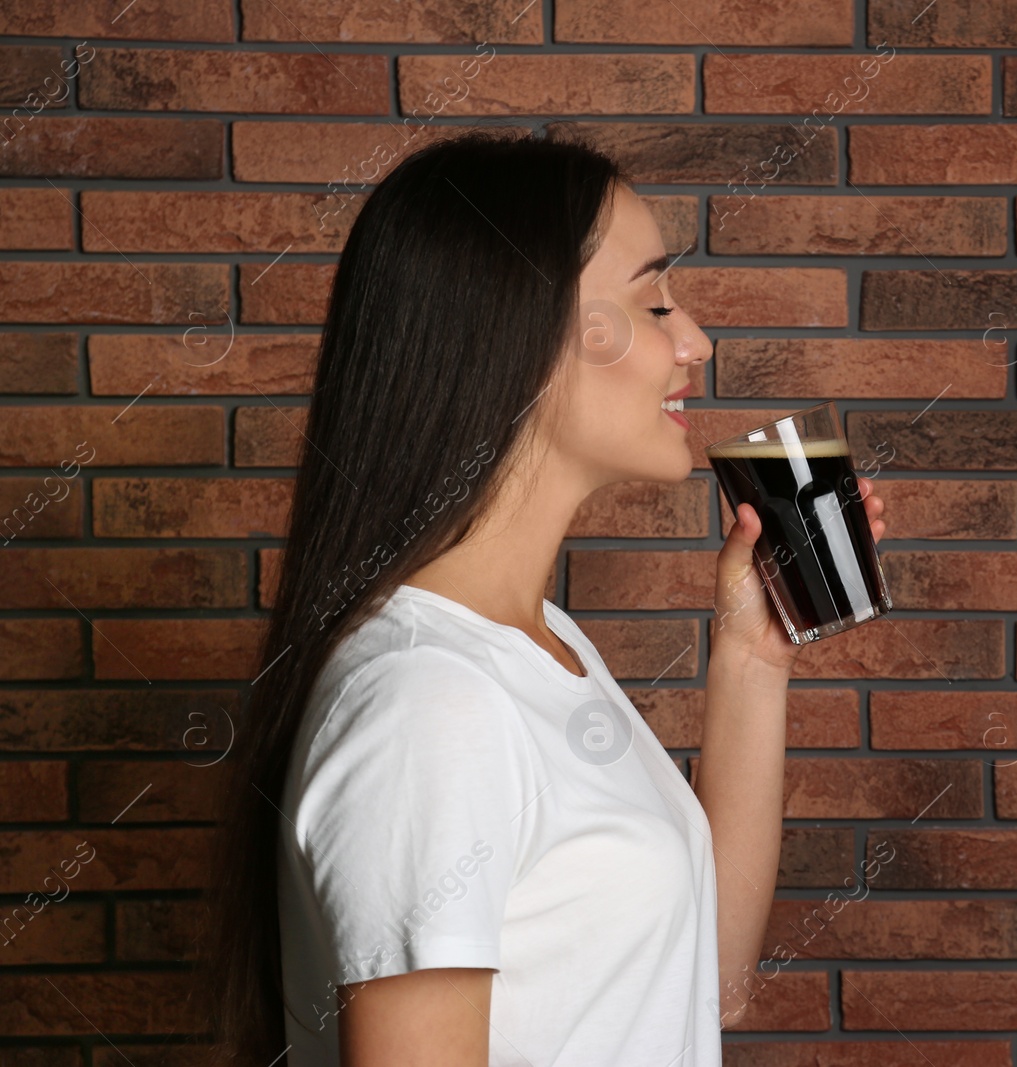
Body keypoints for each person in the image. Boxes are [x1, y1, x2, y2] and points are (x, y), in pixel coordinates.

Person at [198, 129, 886, 1066]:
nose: (694, 342)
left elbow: (708, 979)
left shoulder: (543, 645)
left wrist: (754, 655)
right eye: (652, 303)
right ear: (516, 340)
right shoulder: (430, 705)